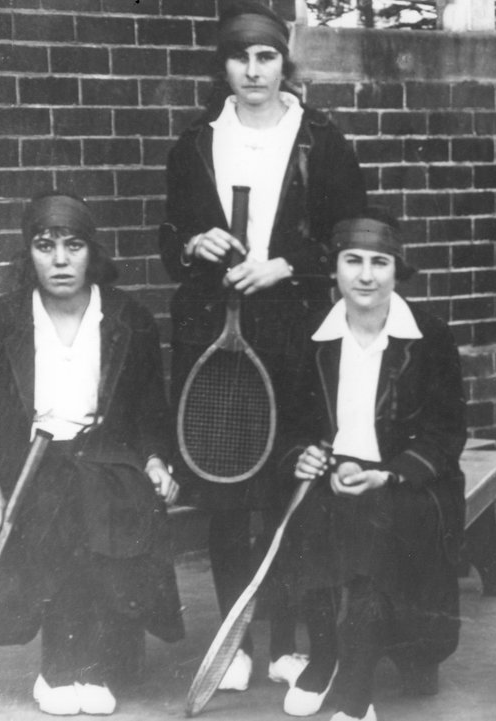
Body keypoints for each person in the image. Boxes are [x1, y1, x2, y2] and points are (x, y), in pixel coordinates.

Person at [158, 0, 366, 694]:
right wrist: (193, 242)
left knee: (289, 486)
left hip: (291, 336)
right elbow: (168, 239)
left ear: (285, 62)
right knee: (225, 490)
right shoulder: (193, 143)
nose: (253, 69)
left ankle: (286, 641)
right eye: (240, 57)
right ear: (223, 66)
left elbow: (350, 237)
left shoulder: (321, 140)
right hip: (214, 339)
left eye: (267, 55)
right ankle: (234, 636)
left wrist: (287, 265)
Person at [0, 192, 184, 716]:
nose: (59, 260)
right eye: (45, 245)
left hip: (111, 463)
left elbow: (151, 416)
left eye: (73, 246)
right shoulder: (1, 321)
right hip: (29, 468)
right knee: (66, 496)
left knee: (95, 495)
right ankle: (62, 667)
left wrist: (156, 462)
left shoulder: (128, 318)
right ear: (27, 253)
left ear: (91, 252)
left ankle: (99, 661)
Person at [276, 210, 467, 721]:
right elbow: (292, 425)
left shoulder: (430, 335)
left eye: (380, 262)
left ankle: (354, 690)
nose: (366, 275)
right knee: (312, 518)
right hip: (332, 473)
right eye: (352, 260)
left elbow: (448, 433)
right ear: (334, 269)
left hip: (408, 478)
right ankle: (325, 654)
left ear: (396, 269)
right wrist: (307, 456)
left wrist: (388, 473)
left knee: (377, 527)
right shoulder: (308, 336)